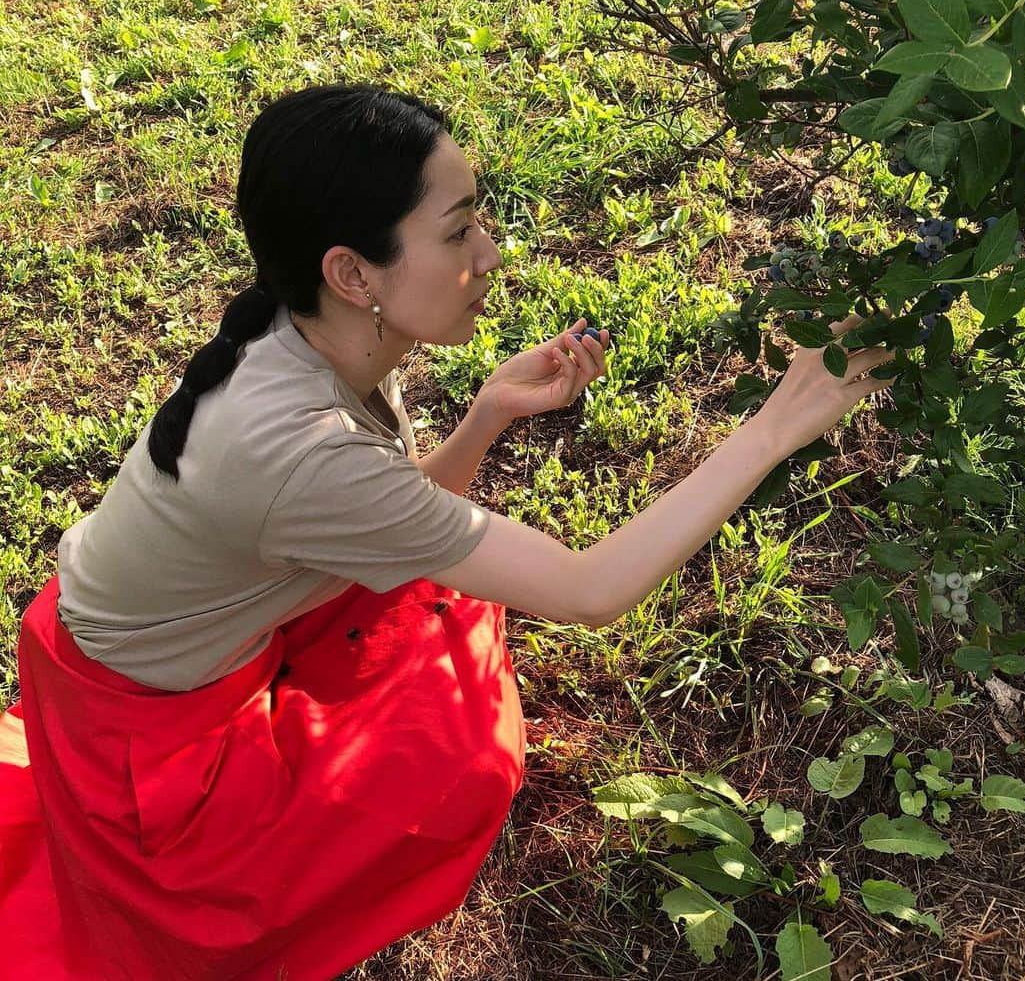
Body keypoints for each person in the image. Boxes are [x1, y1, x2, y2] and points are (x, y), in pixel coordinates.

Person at [0, 82, 896, 980]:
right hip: (145, 742)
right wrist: (775, 428)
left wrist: (487, 415)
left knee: (441, 621)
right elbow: (589, 590)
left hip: (187, 642)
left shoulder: (317, 333)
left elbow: (374, 523)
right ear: (353, 272)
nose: (493, 256)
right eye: (459, 231)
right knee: (458, 757)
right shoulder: (300, 445)